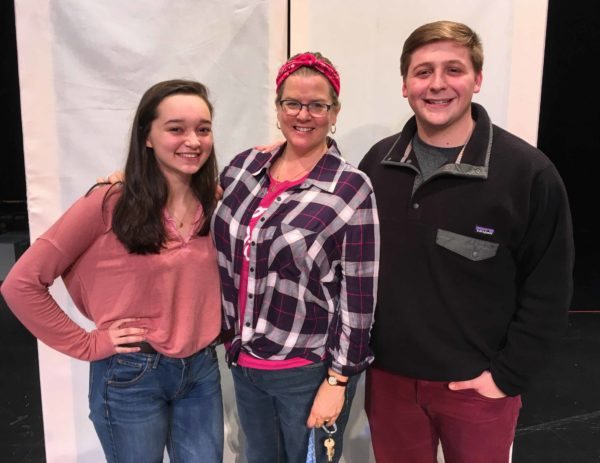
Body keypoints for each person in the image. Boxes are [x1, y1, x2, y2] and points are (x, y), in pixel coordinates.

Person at [359, 20, 575, 463]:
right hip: (389, 383)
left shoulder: (528, 174)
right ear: (405, 85)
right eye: (423, 72)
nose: (437, 85)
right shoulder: (376, 165)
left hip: (477, 389)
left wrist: (505, 378)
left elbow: (549, 289)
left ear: (477, 79)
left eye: (453, 70)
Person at [1, 80, 224, 462]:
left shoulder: (215, 200)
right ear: (147, 137)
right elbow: (21, 283)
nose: (193, 140)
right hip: (131, 374)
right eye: (176, 129)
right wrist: (88, 344)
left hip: (201, 371)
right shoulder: (108, 202)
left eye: (202, 129)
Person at [211, 52, 379, 463]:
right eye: (293, 103)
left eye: (317, 105)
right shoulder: (243, 168)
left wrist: (338, 381)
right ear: (278, 107)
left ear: (334, 112)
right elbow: (189, 205)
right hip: (245, 364)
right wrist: (132, 176)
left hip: (307, 371)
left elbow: (359, 297)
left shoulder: (351, 189)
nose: (304, 115)